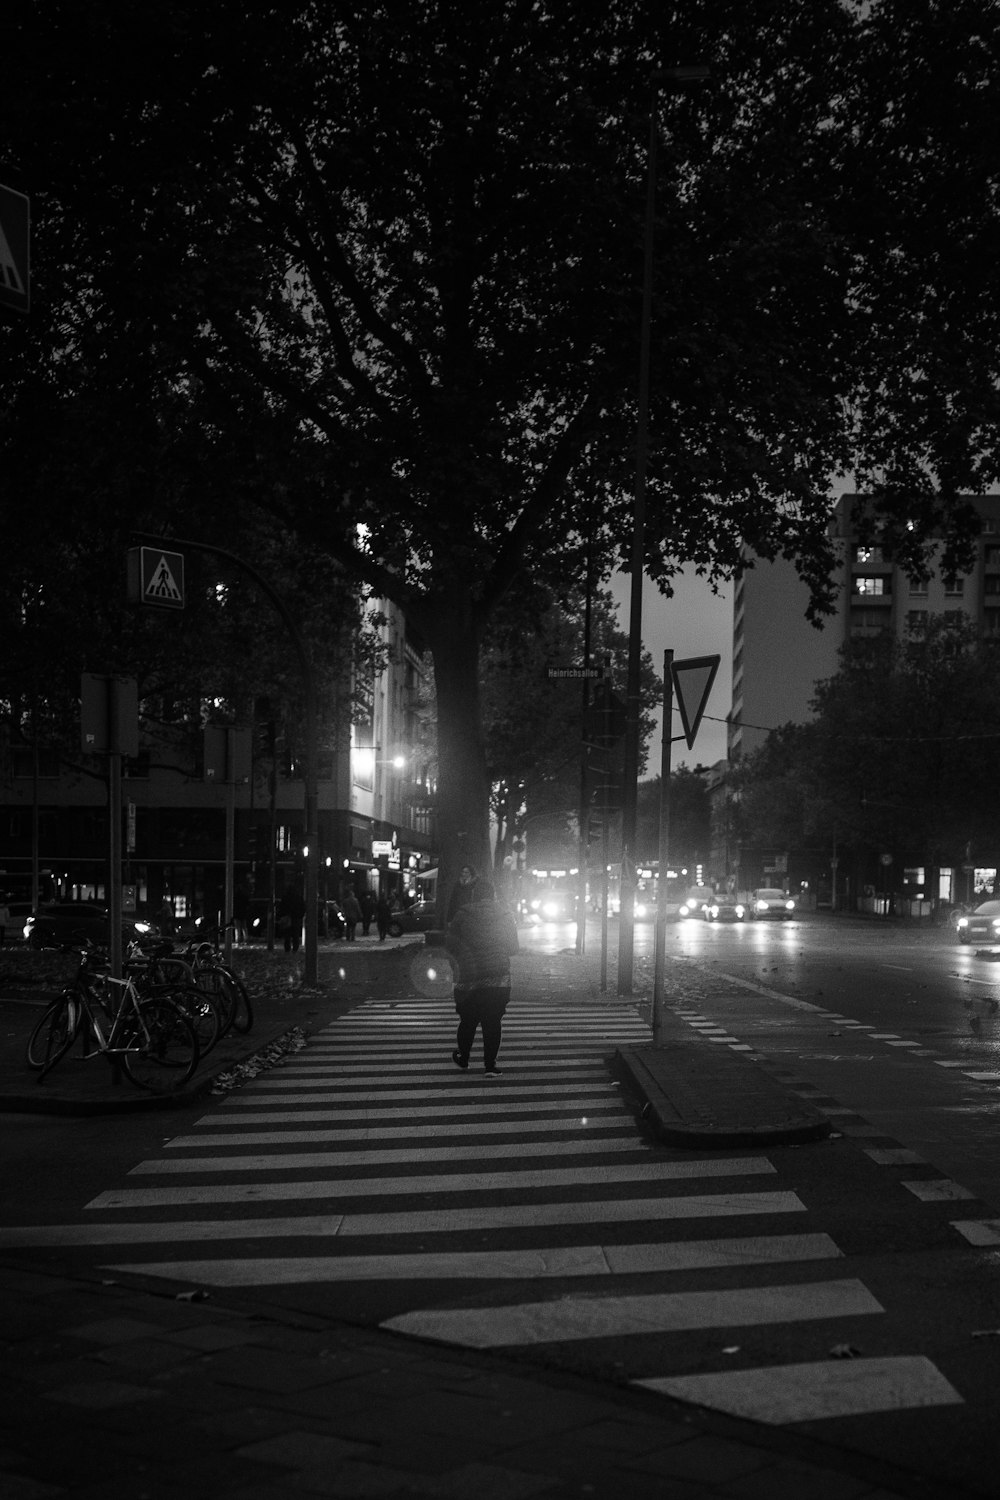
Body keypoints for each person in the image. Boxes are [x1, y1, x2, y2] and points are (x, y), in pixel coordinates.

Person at [445, 879, 519, 1075]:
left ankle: (464, 1058)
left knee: (467, 1020)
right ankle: (490, 1065)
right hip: (498, 976)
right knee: (493, 1021)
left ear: (473, 896)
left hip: (468, 975)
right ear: (493, 895)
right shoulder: (505, 914)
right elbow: (514, 948)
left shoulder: (462, 914)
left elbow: (450, 945)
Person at [277, 881, 305, 953]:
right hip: (296, 917)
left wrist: (282, 915)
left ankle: (287, 949)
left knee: (287, 935)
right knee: (295, 935)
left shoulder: (286, 897)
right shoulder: (298, 897)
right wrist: (300, 915)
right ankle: (295, 949)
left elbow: (281, 907)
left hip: (288, 917)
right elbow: (303, 907)